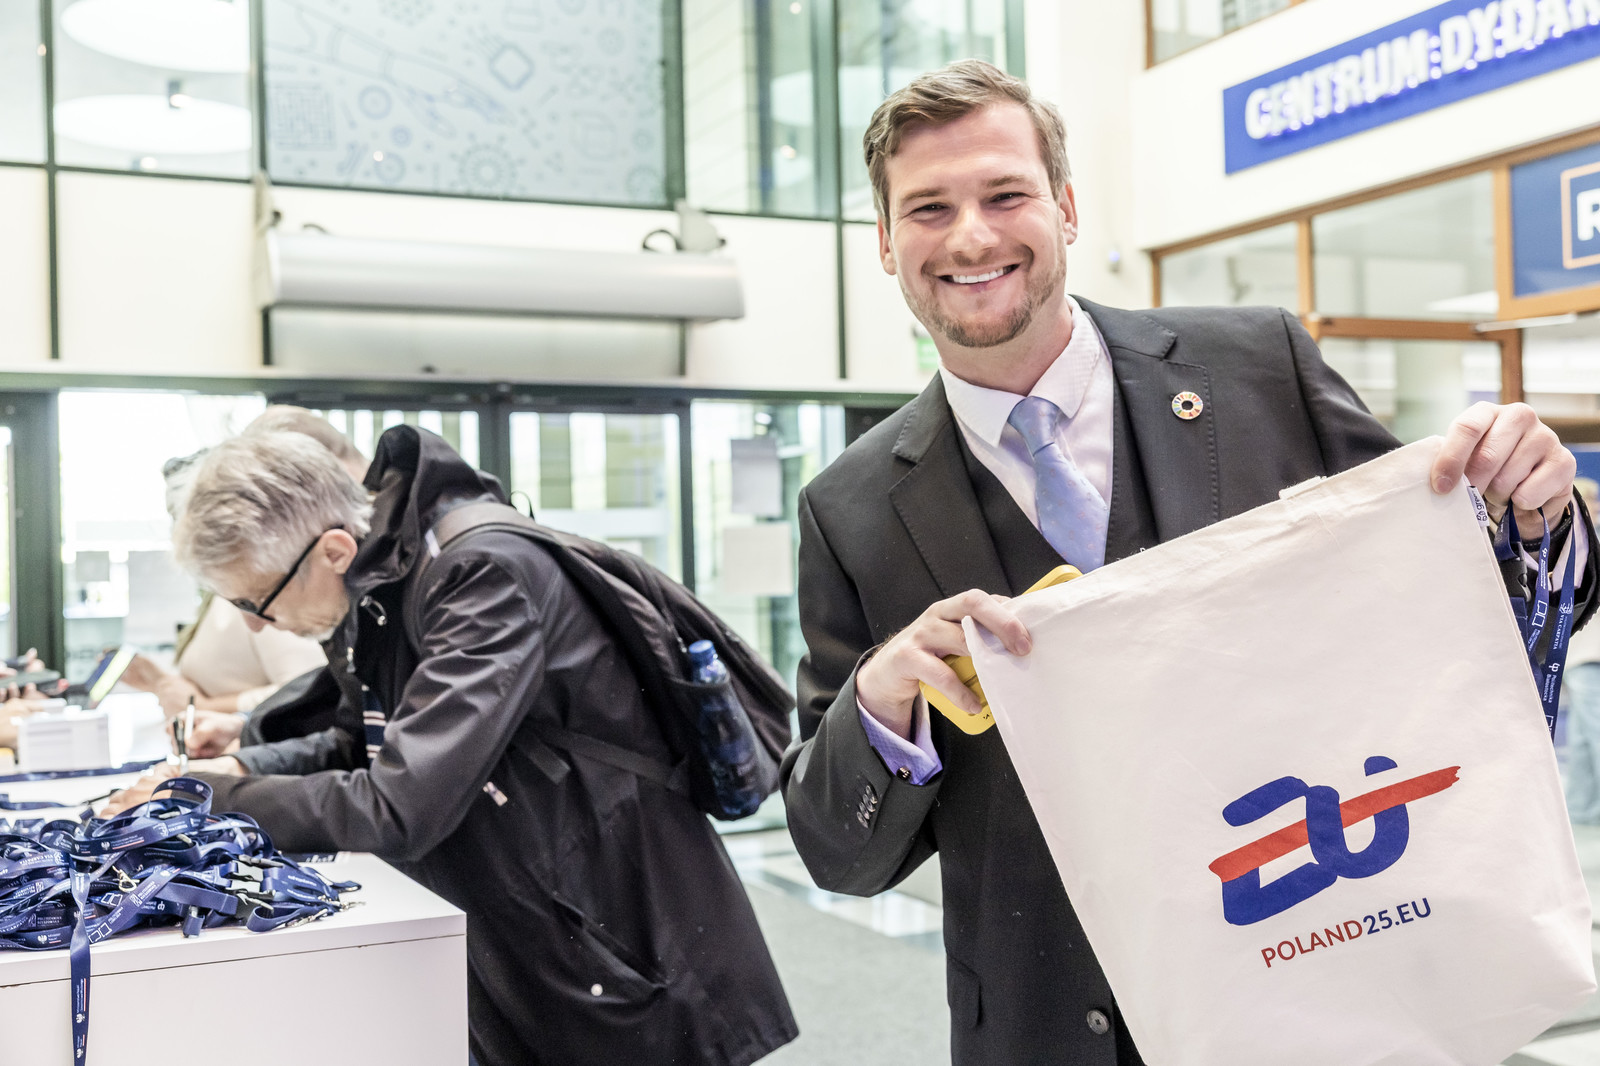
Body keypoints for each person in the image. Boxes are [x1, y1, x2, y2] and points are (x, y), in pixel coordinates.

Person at [779, 59, 1597, 1066]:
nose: (972, 237)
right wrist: (881, 706)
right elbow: (838, 852)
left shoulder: (1258, 367)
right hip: (1054, 1036)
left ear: (1066, 207)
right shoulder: (851, 509)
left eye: (1005, 194)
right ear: (885, 242)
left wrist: (1534, 513)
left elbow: (1455, 592)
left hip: (1332, 979)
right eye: (928, 208)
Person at [105, 426, 797, 1066]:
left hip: (623, 935)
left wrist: (213, 796)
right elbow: (359, 740)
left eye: (257, 601)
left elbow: (402, 805)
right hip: (535, 924)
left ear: (334, 550)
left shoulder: (482, 576)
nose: (258, 626)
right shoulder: (385, 583)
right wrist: (239, 765)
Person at [122, 448, 328, 757]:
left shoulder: (264, 589)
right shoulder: (224, 591)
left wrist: (207, 706)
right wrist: (161, 683)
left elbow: (306, 691)